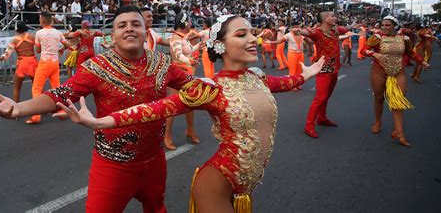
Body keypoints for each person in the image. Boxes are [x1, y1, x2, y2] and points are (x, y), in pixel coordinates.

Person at [54, 15, 325, 213]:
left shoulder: (257, 77)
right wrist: (101, 121)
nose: (253, 39)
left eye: (252, 33)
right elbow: (156, 109)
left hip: (245, 185)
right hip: (217, 183)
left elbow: (282, 83)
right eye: (241, 34)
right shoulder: (211, 89)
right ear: (220, 45)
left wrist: (304, 75)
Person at [0, 5, 195, 213]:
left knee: (156, 208)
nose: (129, 28)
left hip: (155, 162)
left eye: (135, 24)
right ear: (113, 36)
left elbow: (194, 86)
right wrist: (18, 108)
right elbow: (60, 95)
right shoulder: (98, 67)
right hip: (112, 166)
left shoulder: (162, 63)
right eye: (122, 25)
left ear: (145, 30)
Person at [360, 16, 428, 147]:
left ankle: (399, 132)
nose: (384, 28)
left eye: (387, 25)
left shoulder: (404, 39)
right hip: (378, 71)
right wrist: (374, 54)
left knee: (398, 101)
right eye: (382, 25)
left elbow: (410, 53)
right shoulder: (377, 37)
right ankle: (378, 122)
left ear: (395, 26)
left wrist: (422, 61)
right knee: (379, 98)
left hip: (398, 72)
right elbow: (363, 50)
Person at [294, 10, 350, 138]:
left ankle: (322, 118)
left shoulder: (335, 30)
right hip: (324, 68)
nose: (335, 18)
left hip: (335, 67)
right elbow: (309, 33)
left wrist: (353, 26)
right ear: (325, 19)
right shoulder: (318, 32)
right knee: (320, 97)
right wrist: (300, 31)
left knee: (327, 96)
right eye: (332, 16)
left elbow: (345, 28)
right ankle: (309, 125)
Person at [164, 12, 202, 150]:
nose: (191, 24)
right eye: (190, 21)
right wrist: (189, 61)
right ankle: (166, 135)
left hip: (187, 74)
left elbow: (189, 50)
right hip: (177, 74)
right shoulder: (175, 38)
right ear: (184, 23)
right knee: (172, 106)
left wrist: (200, 46)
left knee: (190, 104)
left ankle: (190, 130)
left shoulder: (183, 38)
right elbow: (179, 55)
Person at [27, 11, 72, 124]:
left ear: (42, 20)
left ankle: (36, 116)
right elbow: (67, 44)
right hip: (55, 62)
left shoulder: (39, 33)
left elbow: (37, 50)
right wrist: (61, 49)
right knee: (56, 88)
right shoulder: (57, 32)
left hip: (44, 62)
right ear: (51, 20)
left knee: (36, 88)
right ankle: (61, 111)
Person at [0, 21, 37, 102]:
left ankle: (16, 109)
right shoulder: (32, 37)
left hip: (22, 64)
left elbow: (5, 56)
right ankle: (40, 108)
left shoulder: (14, 41)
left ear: (16, 29)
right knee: (37, 87)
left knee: (17, 88)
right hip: (33, 63)